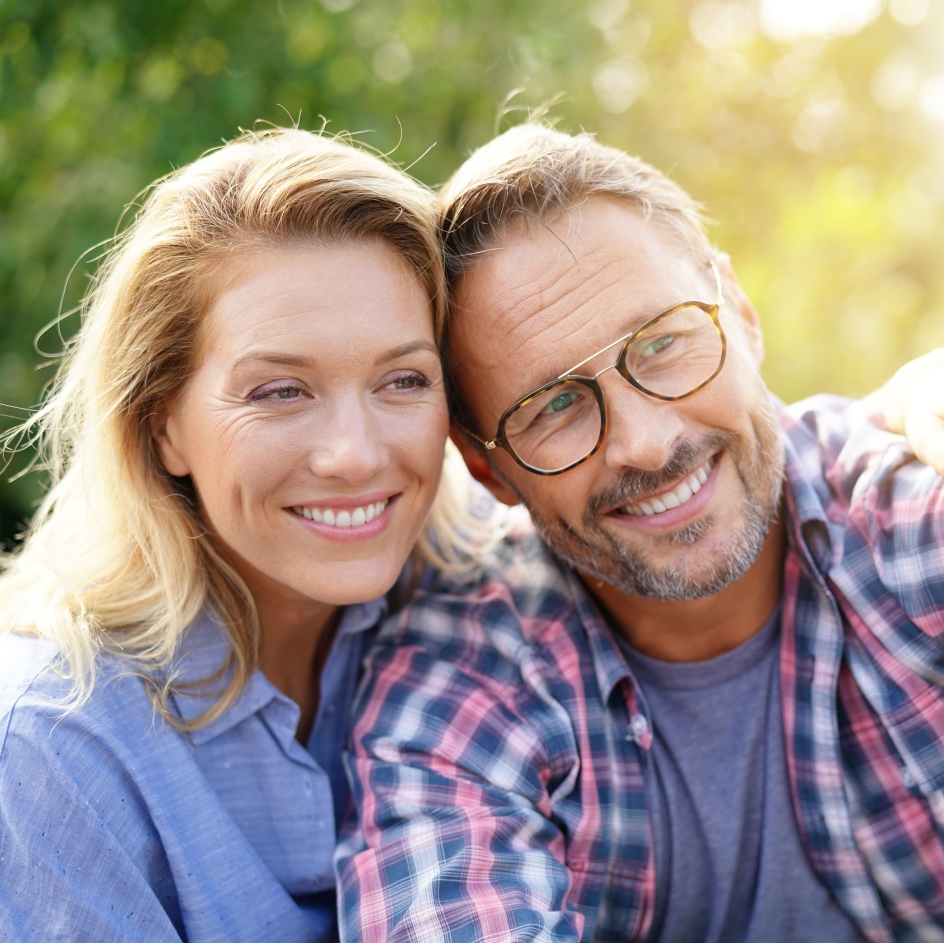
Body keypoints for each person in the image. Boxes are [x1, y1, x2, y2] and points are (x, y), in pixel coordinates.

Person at [337, 123, 944, 942]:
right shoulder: (463, 683)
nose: (647, 444)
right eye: (552, 406)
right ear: (487, 470)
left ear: (742, 316)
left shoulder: (904, 517)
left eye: (664, 344)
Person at [0, 126, 491, 942]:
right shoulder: (53, 740)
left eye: (403, 380)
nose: (356, 455)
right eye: (280, 392)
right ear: (163, 428)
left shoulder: (484, 614)